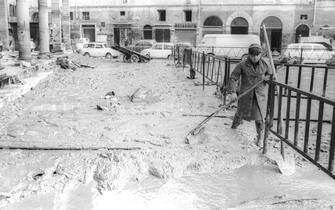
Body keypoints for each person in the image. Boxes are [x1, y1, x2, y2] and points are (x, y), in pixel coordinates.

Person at [225, 43, 273, 146]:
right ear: (249, 54)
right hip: (246, 95)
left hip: (259, 97)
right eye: (252, 55)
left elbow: (270, 74)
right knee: (239, 114)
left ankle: (259, 138)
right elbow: (233, 78)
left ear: (261, 54)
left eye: (257, 55)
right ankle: (233, 128)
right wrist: (233, 92)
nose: (255, 57)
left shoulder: (265, 64)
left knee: (259, 119)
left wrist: (268, 77)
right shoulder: (242, 65)